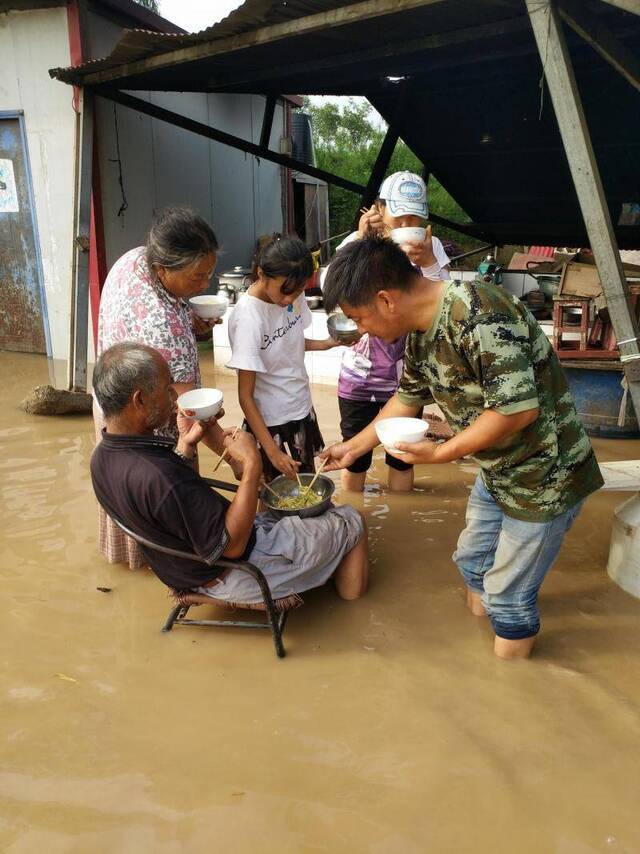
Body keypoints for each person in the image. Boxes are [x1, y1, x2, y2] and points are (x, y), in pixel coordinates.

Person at [321, 236, 603, 659]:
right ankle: (479, 655)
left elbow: (515, 411)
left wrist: (440, 455)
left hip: (546, 475)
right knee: (473, 565)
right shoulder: (419, 334)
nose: (361, 329)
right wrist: (353, 447)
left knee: (508, 597)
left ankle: (509, 686)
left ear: (385, 299)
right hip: (498, 469)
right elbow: (406, 399)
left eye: (359, 318)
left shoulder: (480, 312)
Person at [90, 342, 369, 605]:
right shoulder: (158, 476)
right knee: (351, 519)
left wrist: (186, 446)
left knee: (309, 514)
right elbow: (232, 547)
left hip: (184, 568)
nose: (174, 397)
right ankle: (354, 609)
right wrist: (251, 464)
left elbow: (169, 506)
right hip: (233, 572)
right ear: (139, 400)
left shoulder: (102, 458)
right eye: (167, 389)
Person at [334, 171, 451, 492]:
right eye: (400, 218)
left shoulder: (431, 246)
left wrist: (427, 261)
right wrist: (361, 240)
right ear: (378, 210)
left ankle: (402, 510)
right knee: (354, 455)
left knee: (403, 456)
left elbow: (445, 300)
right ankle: (352, 514)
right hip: (358, 379)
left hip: (408, 377)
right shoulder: (356, 244)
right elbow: (331, 293)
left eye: (415, 218)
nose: (406, 226)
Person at [227, 235, 340, 483]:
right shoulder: (248, 318)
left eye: (298, 290)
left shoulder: (294, 293)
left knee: (307, 486)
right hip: (269, 423)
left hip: (300, 408)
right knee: (272, 492)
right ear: (261, 274)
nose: (290, 299)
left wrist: (328, 344)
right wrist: (271, 450)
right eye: (285, 291)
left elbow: (291, 344)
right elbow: (245, 396)